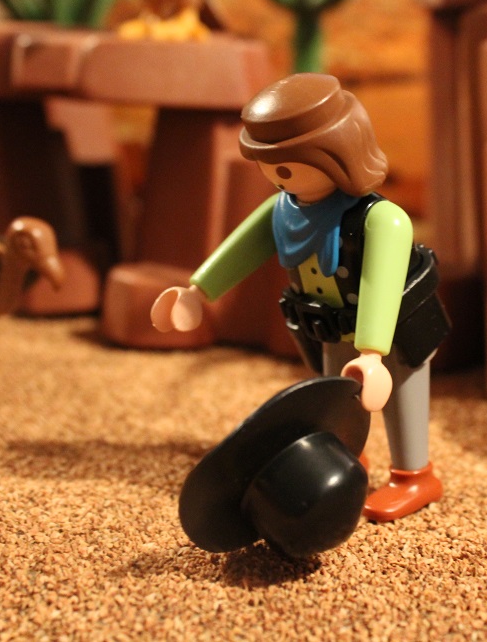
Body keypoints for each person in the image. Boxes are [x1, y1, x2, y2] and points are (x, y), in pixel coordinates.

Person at [151, 73, 449, 522]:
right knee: (335, 399)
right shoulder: (284, 210)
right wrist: (198, 291)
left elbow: (382, 285)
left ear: (336, 154)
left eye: (286, 167)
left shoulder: (383, 220)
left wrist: (372, 352)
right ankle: (348, 454)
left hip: (398, 329)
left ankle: (414, 477)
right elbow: (241, 248)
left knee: (401, 399)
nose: (275, 176)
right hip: (329, 325)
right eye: (267, 164)